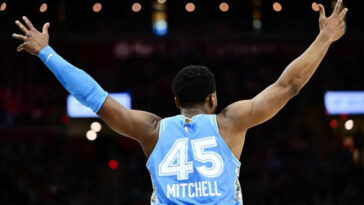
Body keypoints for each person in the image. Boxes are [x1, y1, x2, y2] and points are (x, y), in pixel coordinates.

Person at [12, 0, 347, 204]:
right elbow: (290, 83)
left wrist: (46, 52)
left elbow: (94, 97)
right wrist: (325, 37)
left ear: (175, 101)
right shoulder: (230, 122)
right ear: (213, 98)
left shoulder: (152, 130)